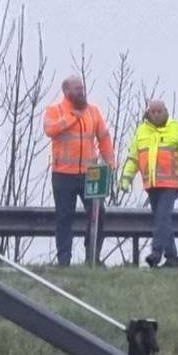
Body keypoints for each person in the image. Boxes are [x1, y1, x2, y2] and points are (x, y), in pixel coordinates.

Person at [42, 75, 115, 266]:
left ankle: (92, 257)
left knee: (97, 214)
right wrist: (72, 117)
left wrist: (110, 163)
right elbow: (50, 130)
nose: (81, 92)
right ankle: (64, 260)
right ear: (66, 91)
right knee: (64, 217)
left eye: (82, 88)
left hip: (90, 174)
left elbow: (104, 137)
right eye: (76, 88)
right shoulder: (55, 110)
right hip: (63, 174)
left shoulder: (93, 111)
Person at [118, 100, 178, 268]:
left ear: (166, 111)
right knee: (163, 220)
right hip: (151, 184)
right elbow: (134, 157)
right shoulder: (142, 131)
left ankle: (156, 253)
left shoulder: (177, 128)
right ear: (148, 113)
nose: (156, 114)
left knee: (162, 218)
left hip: (172, 184)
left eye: (159, 111)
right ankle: (172, 258)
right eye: (153, 111)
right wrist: (126, 179)